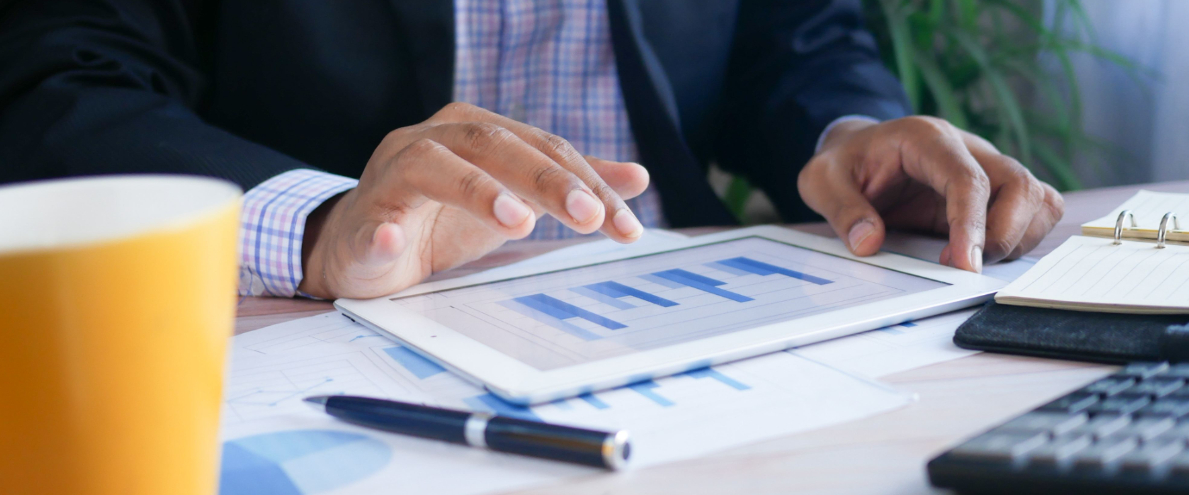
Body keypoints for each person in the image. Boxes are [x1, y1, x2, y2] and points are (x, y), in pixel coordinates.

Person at [0, 0, 1062, 300]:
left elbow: (796, 33)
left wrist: (857, 134)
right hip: (329, 320)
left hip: (681, 301)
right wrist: (323, 226)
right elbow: (58, 81)